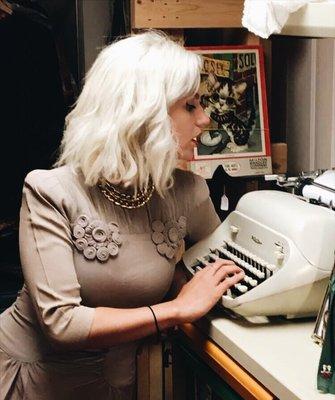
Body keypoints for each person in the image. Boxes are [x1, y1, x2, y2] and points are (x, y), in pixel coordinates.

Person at [0, 30, 244, 400]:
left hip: (122, 382)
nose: (206, 120)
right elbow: (61, 321)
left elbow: (209, 271)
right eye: (190, 106)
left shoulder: (188, 191)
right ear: (144, 113)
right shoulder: (50, 191)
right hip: (35, 380)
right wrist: (175, 309)